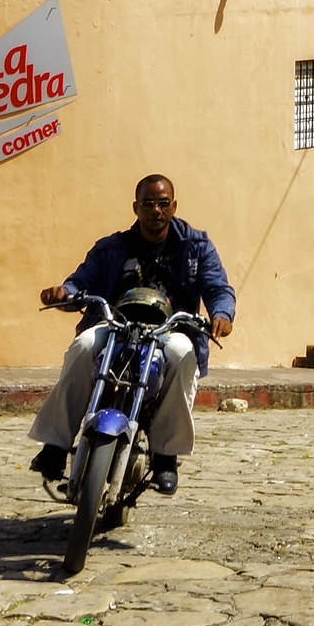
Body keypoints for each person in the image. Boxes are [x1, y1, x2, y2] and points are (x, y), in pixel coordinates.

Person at [29, 175, 235, 496]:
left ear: (174, 206)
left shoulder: (195, 246)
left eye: (163, 203)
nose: (156, 210)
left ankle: (166, 456)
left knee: (183, 355)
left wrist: (222, 313)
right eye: (148, 203)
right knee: (83, 346)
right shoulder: (111, 248)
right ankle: (55, 445)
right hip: (116, 324)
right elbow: (81, 280)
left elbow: (218, 287)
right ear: (135, 207)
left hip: (170, 330)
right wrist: (64, 293)